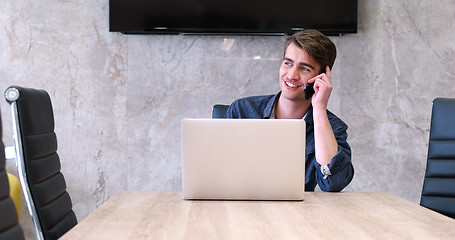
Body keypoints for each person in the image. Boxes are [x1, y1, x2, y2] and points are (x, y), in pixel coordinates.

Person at [224, 29, 354, 192]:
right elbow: (220, 173)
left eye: (304, 68)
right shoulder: (242, 110)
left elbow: (333, 184)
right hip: (242, 208)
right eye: (288, 63)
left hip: (297, 213)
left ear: (321, 78)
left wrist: (319, 109)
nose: (292, 75)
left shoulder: (333, 128)